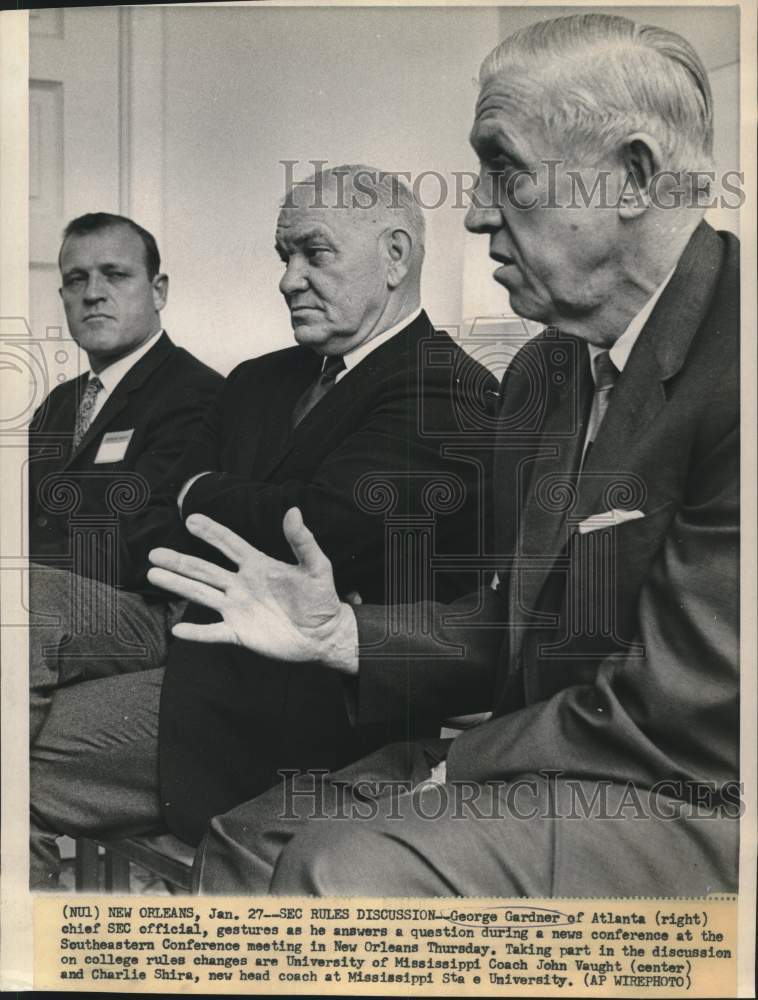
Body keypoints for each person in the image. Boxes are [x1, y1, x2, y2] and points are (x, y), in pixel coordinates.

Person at [145, 13, 740, 896]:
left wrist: (461, 769)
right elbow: (510, 620)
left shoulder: (743, 358)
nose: (469, 212)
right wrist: (346, 633)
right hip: (559, 748)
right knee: (246, 838)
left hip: (690, 789)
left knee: (337, 868)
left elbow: (684, 718)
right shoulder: (549, 365)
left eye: (503, 168)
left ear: (633, 175)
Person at [29, 167, 496, 885]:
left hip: (303, 705)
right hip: (191, 643)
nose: (288, 279)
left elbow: (325, 530)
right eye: (284, 256)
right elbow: (149, 519)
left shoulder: (453, 388)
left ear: (396, 257)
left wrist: (200, 491)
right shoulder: (257, 379)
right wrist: (226, 503)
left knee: (14, 762)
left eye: (315, 254)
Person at [28, 213, 222, 741]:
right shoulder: (57, 405)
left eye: (115, 275)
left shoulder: (199, 396)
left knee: (19, 606)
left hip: (144, 611)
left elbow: (147, 541)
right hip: (59, 600)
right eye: (77, 279)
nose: (93, 293)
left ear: (158, 290)